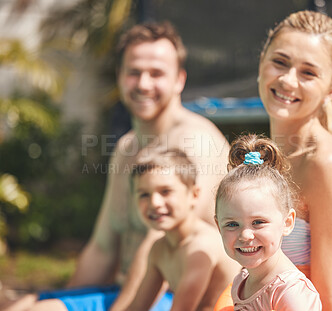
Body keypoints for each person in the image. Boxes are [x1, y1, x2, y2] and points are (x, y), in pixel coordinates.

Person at [7, 21, 230, 311]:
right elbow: (102, 248)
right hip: (122, 290)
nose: (143, 84)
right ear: (120, 76)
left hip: (171, 297)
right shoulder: (127, 148)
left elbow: (157, 241)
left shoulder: (195, 142)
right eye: (134, 72)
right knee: (21, 305)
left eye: (157, 73)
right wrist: (64, 300)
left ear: (179, 80)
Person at [215, 10, 332, 311]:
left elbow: (329, 298)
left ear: (330, 89)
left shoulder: (326, 164)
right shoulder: (260, 156)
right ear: (261, 64)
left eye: (308, 72)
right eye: (280, 62)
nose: (287, 80)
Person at [214, 134, 322, 311]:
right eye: (232, 224)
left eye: (258, 222)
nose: (245, 235)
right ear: (218, 226)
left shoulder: (290, 292)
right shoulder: (241, 281)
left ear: (287, 223)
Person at [127, 147, 239, 311]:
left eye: (166, 191)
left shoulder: (200, 247)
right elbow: (137, 307)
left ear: (194, 194)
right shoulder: (159, 249)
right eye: (144, 194)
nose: (154, 202)